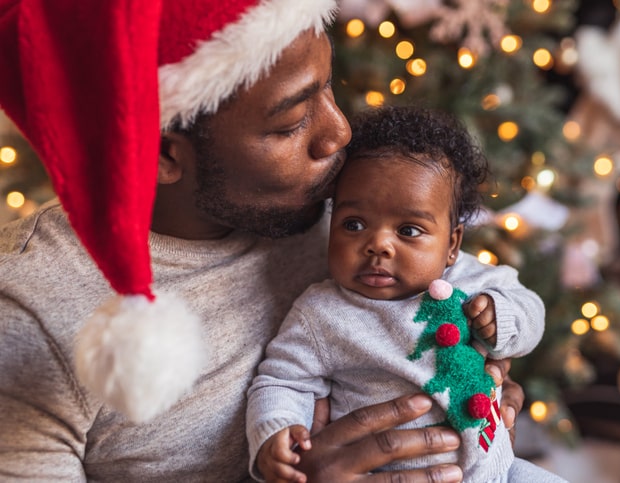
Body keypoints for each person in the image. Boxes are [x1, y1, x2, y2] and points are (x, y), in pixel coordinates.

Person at [0, 1, 524, 481]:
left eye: (328, 87)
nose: (339, 133)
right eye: (291, 121)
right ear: (162, 152)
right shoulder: (32, 315)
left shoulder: (337, 212)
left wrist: (487, 378)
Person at [247, 106, 562, 483]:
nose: (378, 244)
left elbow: (532, 310)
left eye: (409, 230)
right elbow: (283, 380)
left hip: (497, 469)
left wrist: (502, 316)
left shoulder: (476, 279)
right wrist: (276, 432)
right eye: (354, 224)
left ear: (452, 244)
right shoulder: (322, 313)